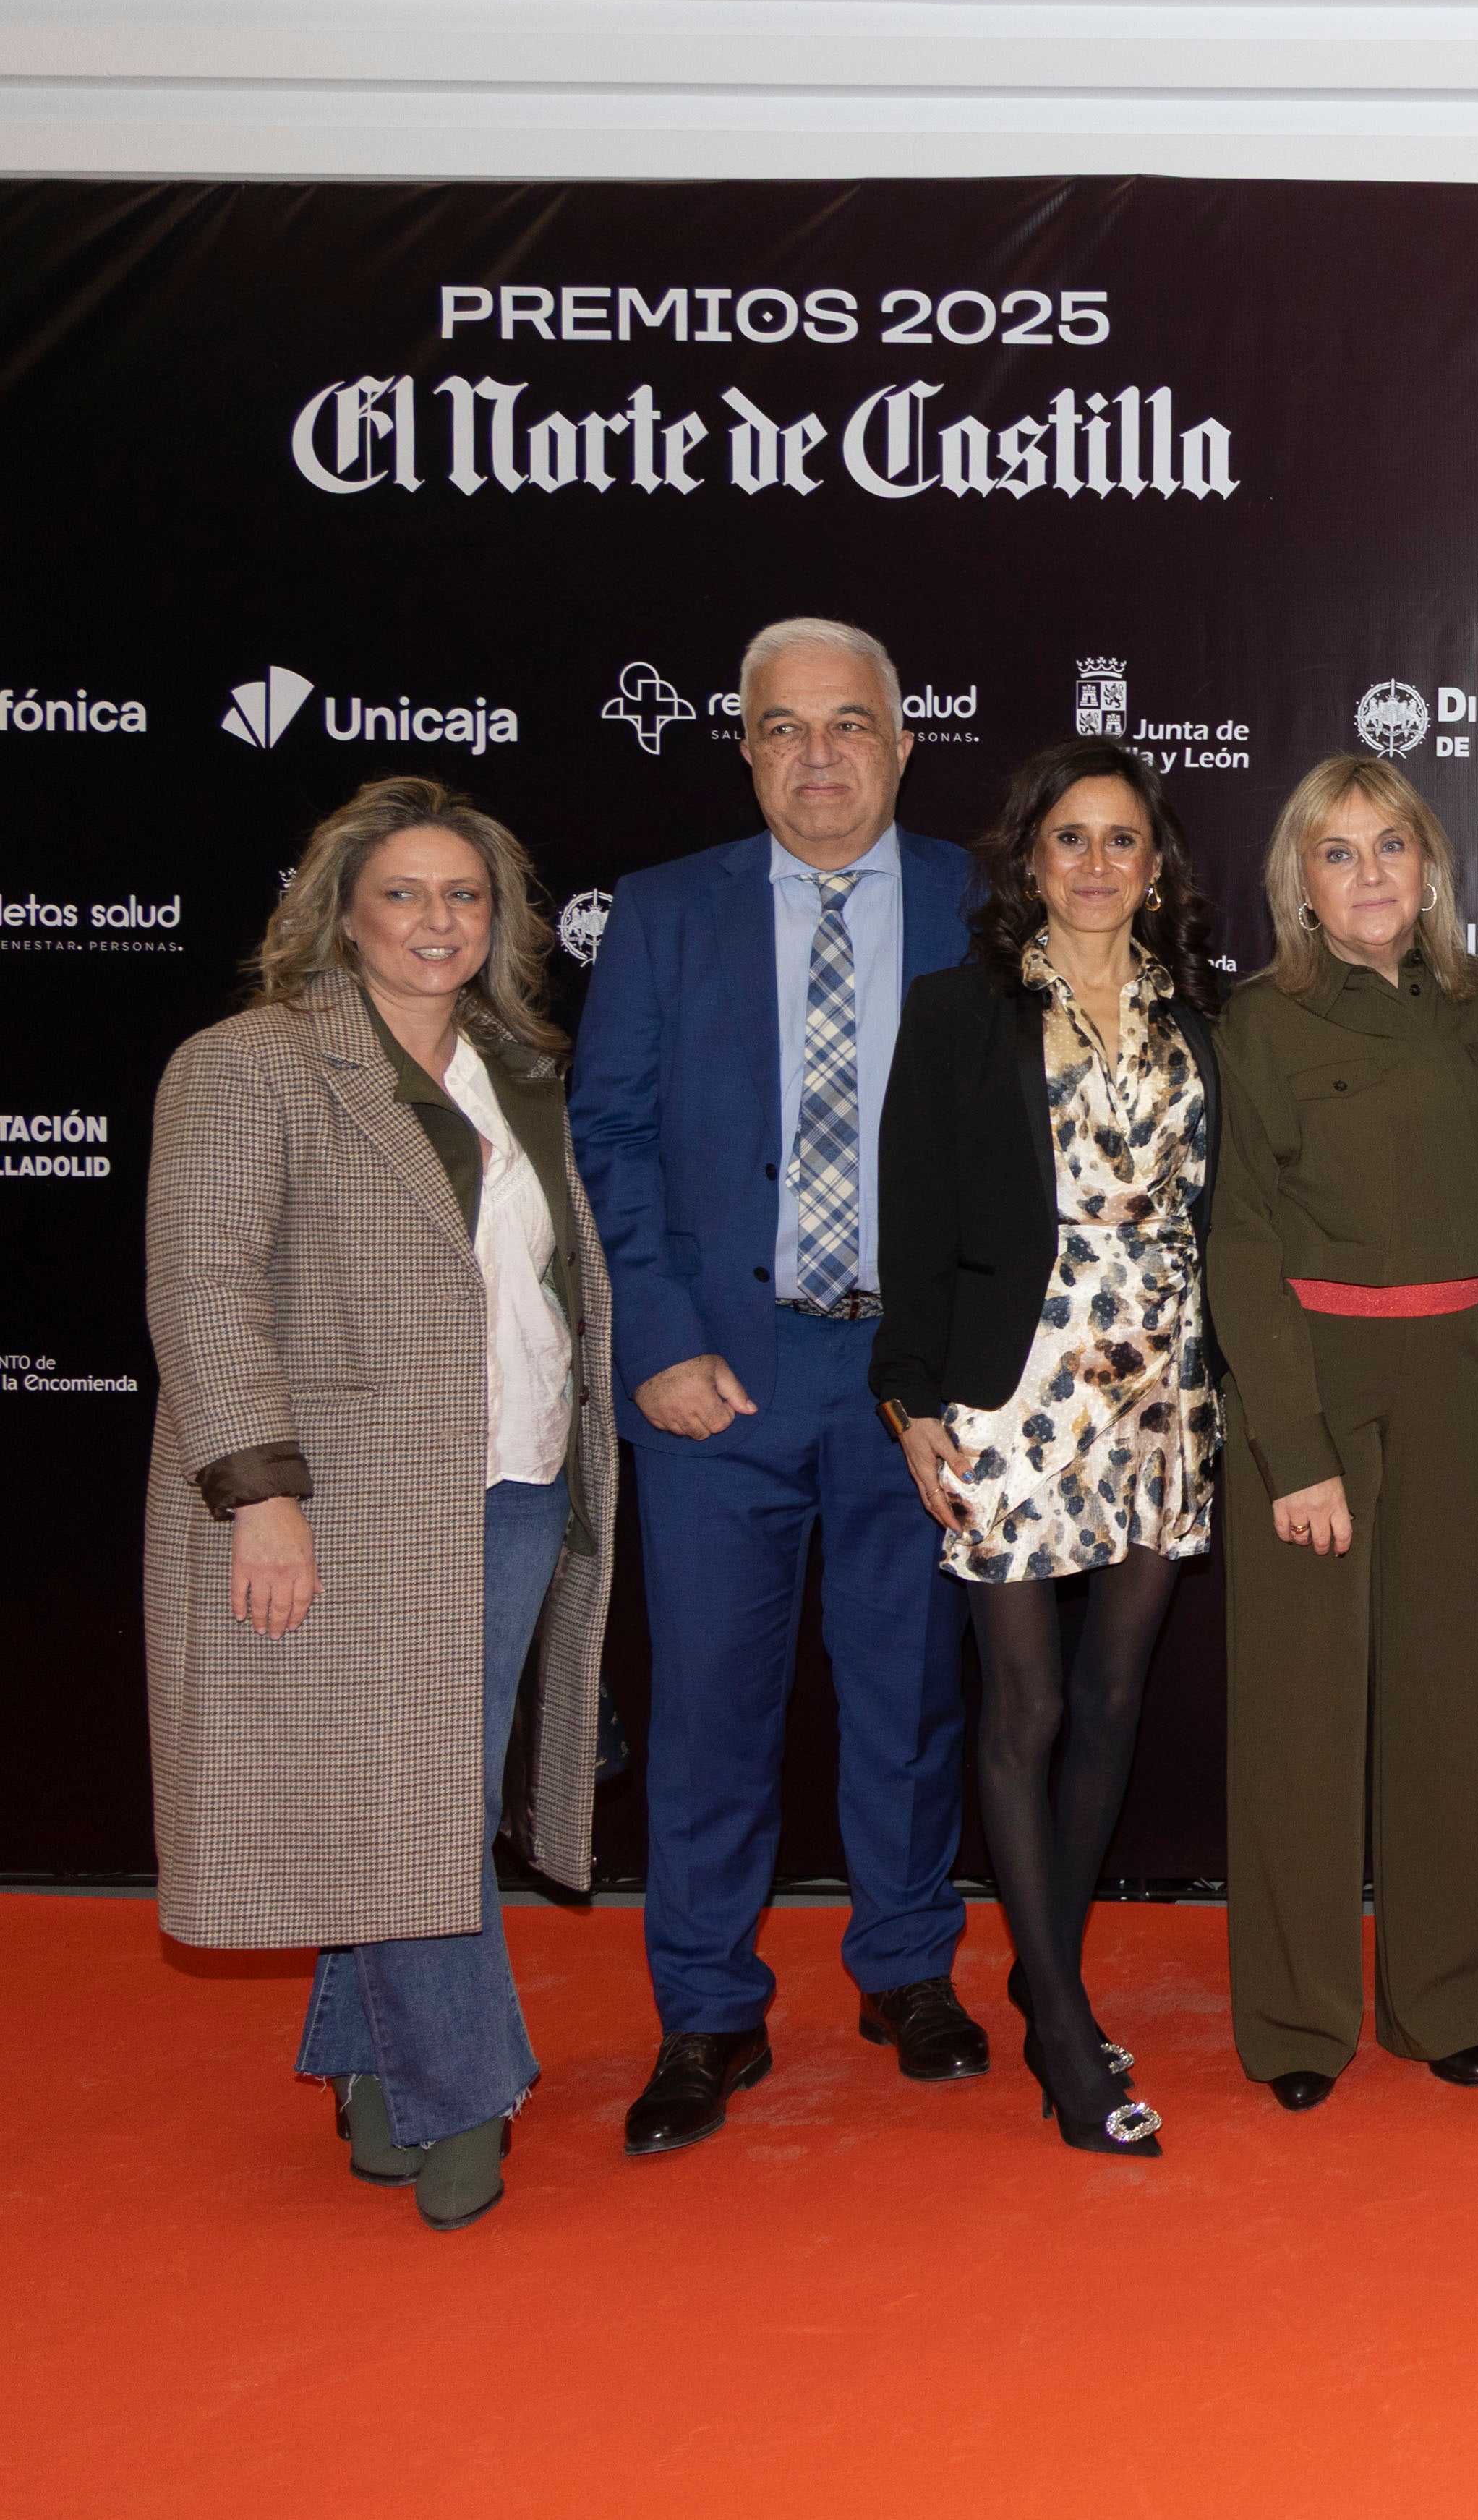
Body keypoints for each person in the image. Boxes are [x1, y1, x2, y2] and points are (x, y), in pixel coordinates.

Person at [145, 776, 618, 2232]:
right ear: (341, 912)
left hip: (516, 1478)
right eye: (403, 893)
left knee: (423, 1794)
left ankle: (368, 2067)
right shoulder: (250, 1064)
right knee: (419, 1802)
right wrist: (260, 1495)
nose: (436, 920)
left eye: (463, 895)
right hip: (346, 1499)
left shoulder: (516, 1068)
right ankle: (466, 2087)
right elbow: (203, 1285)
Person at [570, 617, 986, 2155]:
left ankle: (907, 1973)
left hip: (910, 1381)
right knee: (708, 1711)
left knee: (911, 1697)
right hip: (716, 1379)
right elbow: (609, 1134)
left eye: (850, 723)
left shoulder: (983, 901)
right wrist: (659, 1338)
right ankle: (707, 2010)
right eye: (784, 728)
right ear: (744, 749)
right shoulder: (665, 913)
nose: (820, 756)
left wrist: (970, 1361)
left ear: (903, 741)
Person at [874, 741, 1222, 2157]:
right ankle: (1066, 2037)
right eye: (1068, 836)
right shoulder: (958, 1010)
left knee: (1115, 1694)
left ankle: (1044, 1970)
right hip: (1012, 1388)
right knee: (1023, 1707)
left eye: (1120, 838)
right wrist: (911, 1400)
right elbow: (911, 1217)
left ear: (1156, 864)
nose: (1094, 862)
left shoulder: (1200, 1010)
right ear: (1029, 857)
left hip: (1164, 1380)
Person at [1213, 753, 1478, 2105]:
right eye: (1336, 853)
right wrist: (1294, 1451)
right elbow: (1237, 1245)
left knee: (1449, 1699)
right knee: (1299, 1716)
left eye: (1390, 846)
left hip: (1461, 1374)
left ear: (1431, 866)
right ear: (1298, 882)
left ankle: (1443, 1997)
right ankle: (1297, 2023)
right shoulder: (1256, 1022)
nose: (1369, 875)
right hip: (1312, 1379)